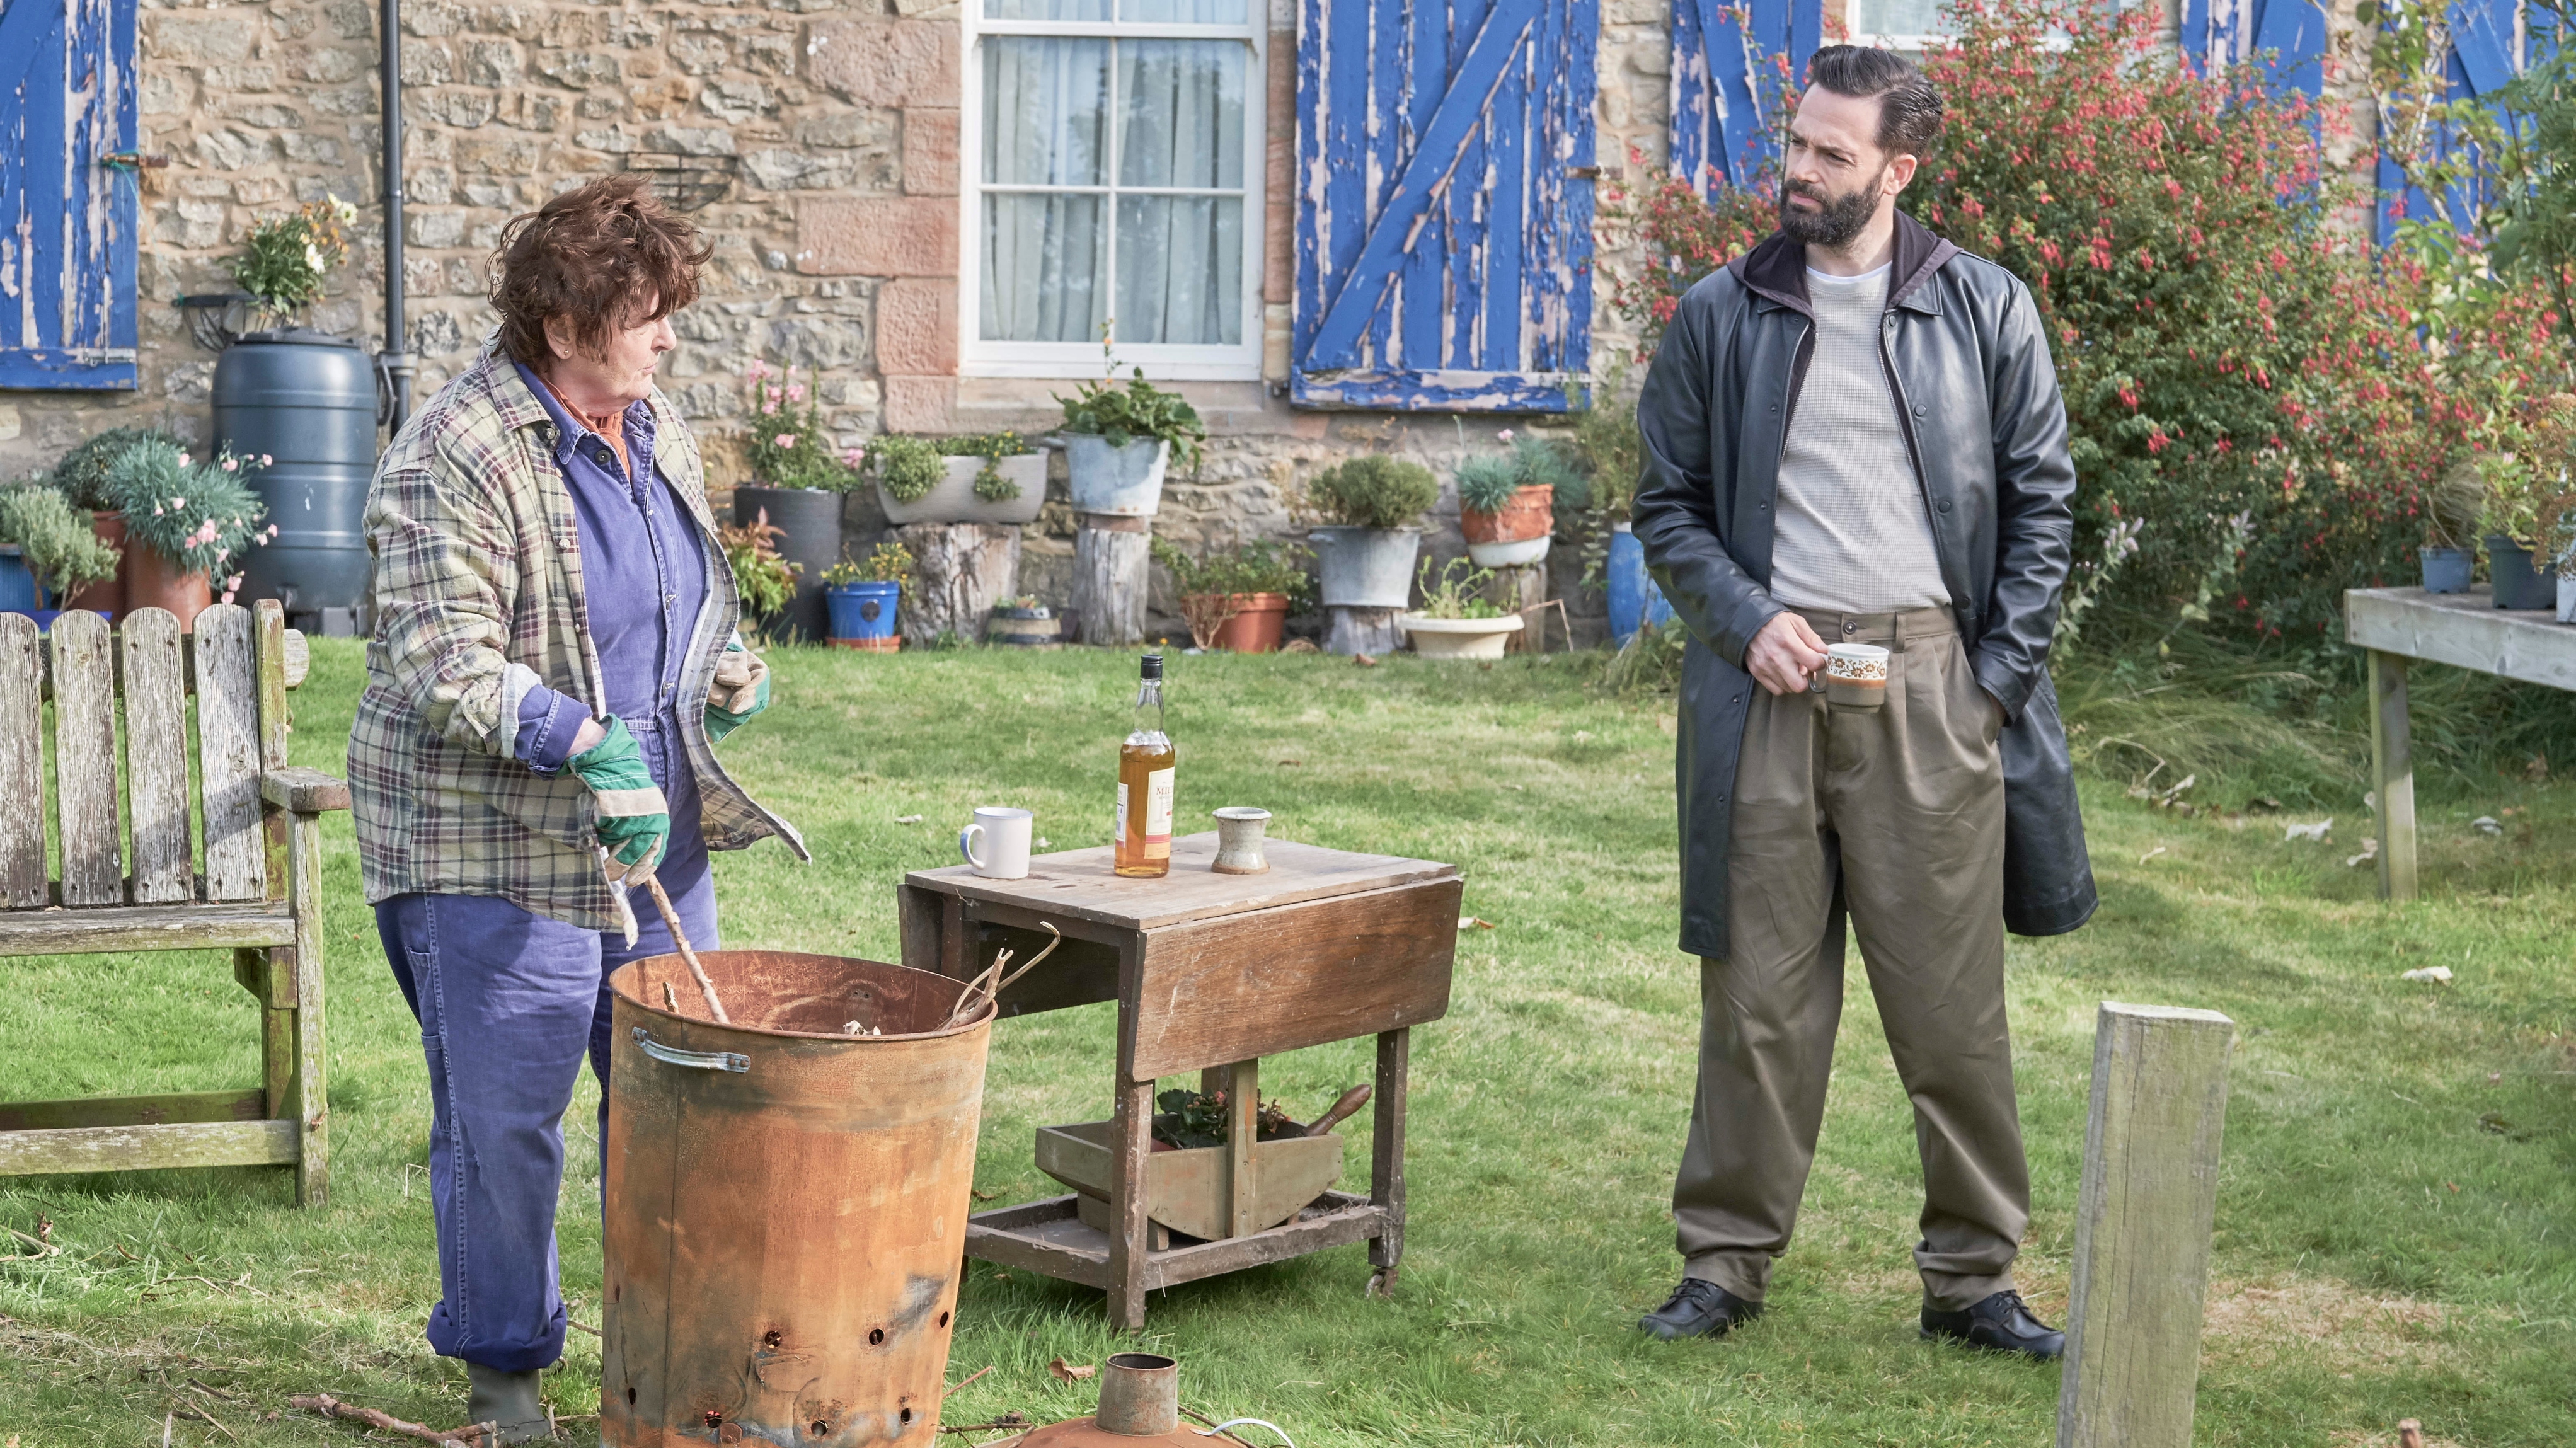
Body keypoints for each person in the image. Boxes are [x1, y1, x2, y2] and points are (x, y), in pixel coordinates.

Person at [1628, 47, 2095, 1359]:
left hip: (1931, 685)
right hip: (1766, 686)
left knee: (1948, 1006)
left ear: (1898, 168)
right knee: (1758, 1001)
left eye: (1833, 154)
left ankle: (1972, 1281)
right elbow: (1664, 507)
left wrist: (1992, 684)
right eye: (1797, 143)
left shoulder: (1983, 307)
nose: (1800, 171)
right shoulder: (1716, 315)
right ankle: (1721, 1268)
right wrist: (1743, 620)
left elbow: (2043, 502)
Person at [349, 174, 807, 1440]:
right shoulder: (455, 452)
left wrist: (713, 674)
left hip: (654, 837)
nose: (669, 337)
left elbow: (657, 601)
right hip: (490, 847)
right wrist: (588, 748)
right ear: (562, 328)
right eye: (646, 314)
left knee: (678, 1101)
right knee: (510, 1126)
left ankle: (668, 1354)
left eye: (671, 312)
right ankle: (506, 1376)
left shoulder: (654, 428)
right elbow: (441, 659)